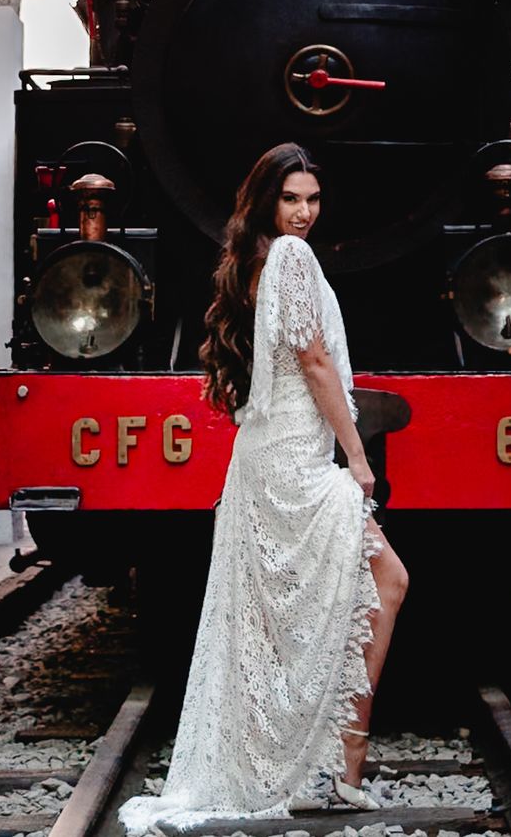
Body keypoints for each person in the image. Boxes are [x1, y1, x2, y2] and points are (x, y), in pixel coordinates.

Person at [120, 143, 408, 831]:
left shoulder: (257, 260)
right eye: (291, 199)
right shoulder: (292, 258)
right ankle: (341, 764)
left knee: (294, 615)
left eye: (312, 199)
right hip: (296, 465)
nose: (305, 213)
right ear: (266, 202)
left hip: (269, 457)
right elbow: (313, 361)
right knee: (385, 582)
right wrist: (358, 457)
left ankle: (325, 763)